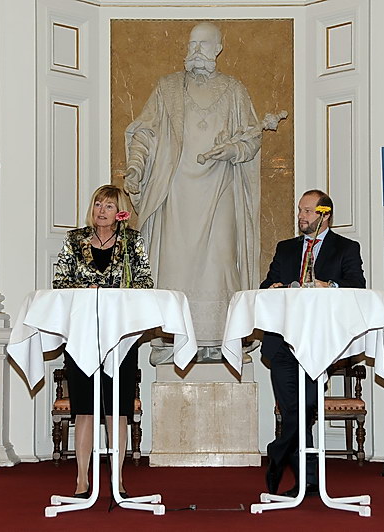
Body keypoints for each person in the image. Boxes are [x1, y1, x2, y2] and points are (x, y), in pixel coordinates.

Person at [124, 21, 261, 362]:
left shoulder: (234, 90)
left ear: (218, 48)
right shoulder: (168, 88)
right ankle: (174, 341)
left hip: (220, 191)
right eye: (192, 43)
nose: (197, 50)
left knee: (221, 262)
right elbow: (145, 133)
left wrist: (232, 150)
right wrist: (136, 168)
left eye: (204, 44)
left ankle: (219, 342)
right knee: (175, 267)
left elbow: (251, 138)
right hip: (176, 193)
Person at [260, 189, 366, 497]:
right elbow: (266, 285)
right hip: (282, 343)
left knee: (305, 408)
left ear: (324, 215)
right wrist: (273, 288)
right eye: (300, 210)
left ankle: (278, 451)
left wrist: (328, 285)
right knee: (294, 412)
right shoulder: (286, 248)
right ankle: (306, 482)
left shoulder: (346, 248)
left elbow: (357, 286)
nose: (301, 216)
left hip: (319, 344)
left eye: (307, 211)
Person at [53, 184, 153, 498]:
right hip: (82, 335)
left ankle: (117, 479)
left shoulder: (132, 241)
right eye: (98, 204)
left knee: (117, 410)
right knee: (84, 409)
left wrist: (112, 293)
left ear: (120, 211)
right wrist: (87, 291)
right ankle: (82, 479)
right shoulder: (75, 239)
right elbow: (60, 282)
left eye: (109, 206)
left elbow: (145, 282)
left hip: (120, 337)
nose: (101, 210)